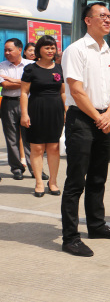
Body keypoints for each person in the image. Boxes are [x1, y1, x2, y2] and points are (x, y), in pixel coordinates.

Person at [61, 2, 110, 258]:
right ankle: (70, 237)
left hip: (104, 119)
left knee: (99, 176)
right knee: (76, 180)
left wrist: (108, 115)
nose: (108, 20)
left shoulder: (108, 52)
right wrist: (99, 117)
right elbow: (76, 90)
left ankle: (96, 226)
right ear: (88, 20)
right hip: (82, 120)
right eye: (102, 16)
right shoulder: (76, 50)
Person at [20, 36, 66, 197]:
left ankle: (52, 182)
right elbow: (24, 92)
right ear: (39, 49)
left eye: (52, 47)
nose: (50, 50)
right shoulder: (31, 69)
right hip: (36, 109)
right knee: (37, 147)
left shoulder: (59, 69)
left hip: (56, 111)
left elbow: (63, 92)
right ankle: (39, 182)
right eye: (47, 47)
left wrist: (66, 111)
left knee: (54, 148)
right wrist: (24, 114)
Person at [1, 38, 43, 181]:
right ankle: (17, 168)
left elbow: (37, 82)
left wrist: (15, 81)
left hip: (28, 104)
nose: (6, 53)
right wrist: (25, 83)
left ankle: (35, 169)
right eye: (5, 50)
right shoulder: (2, 66)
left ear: (20, 50)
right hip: (9, 104)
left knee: (30, 137)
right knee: (11, 138)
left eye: (9, 50)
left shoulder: (31, 65)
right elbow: (5, 85)